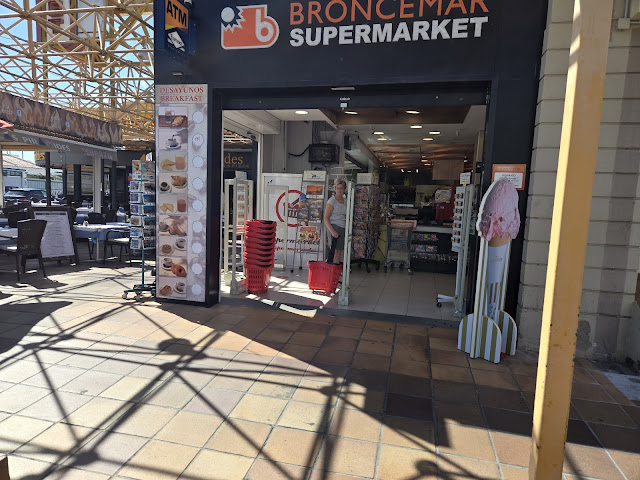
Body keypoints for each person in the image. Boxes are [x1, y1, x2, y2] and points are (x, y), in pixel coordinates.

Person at [324, 179, 347, 264]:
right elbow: (326, 218)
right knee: (335, 252)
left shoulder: (345, 201)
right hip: (334, 227)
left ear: (344, 190)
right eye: (337, 188)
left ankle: (335, 268)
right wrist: (332, 231)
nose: (339, 190)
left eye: (341, 188)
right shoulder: (332, 201)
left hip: (342, 227)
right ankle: (333, 269)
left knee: (339, 252)